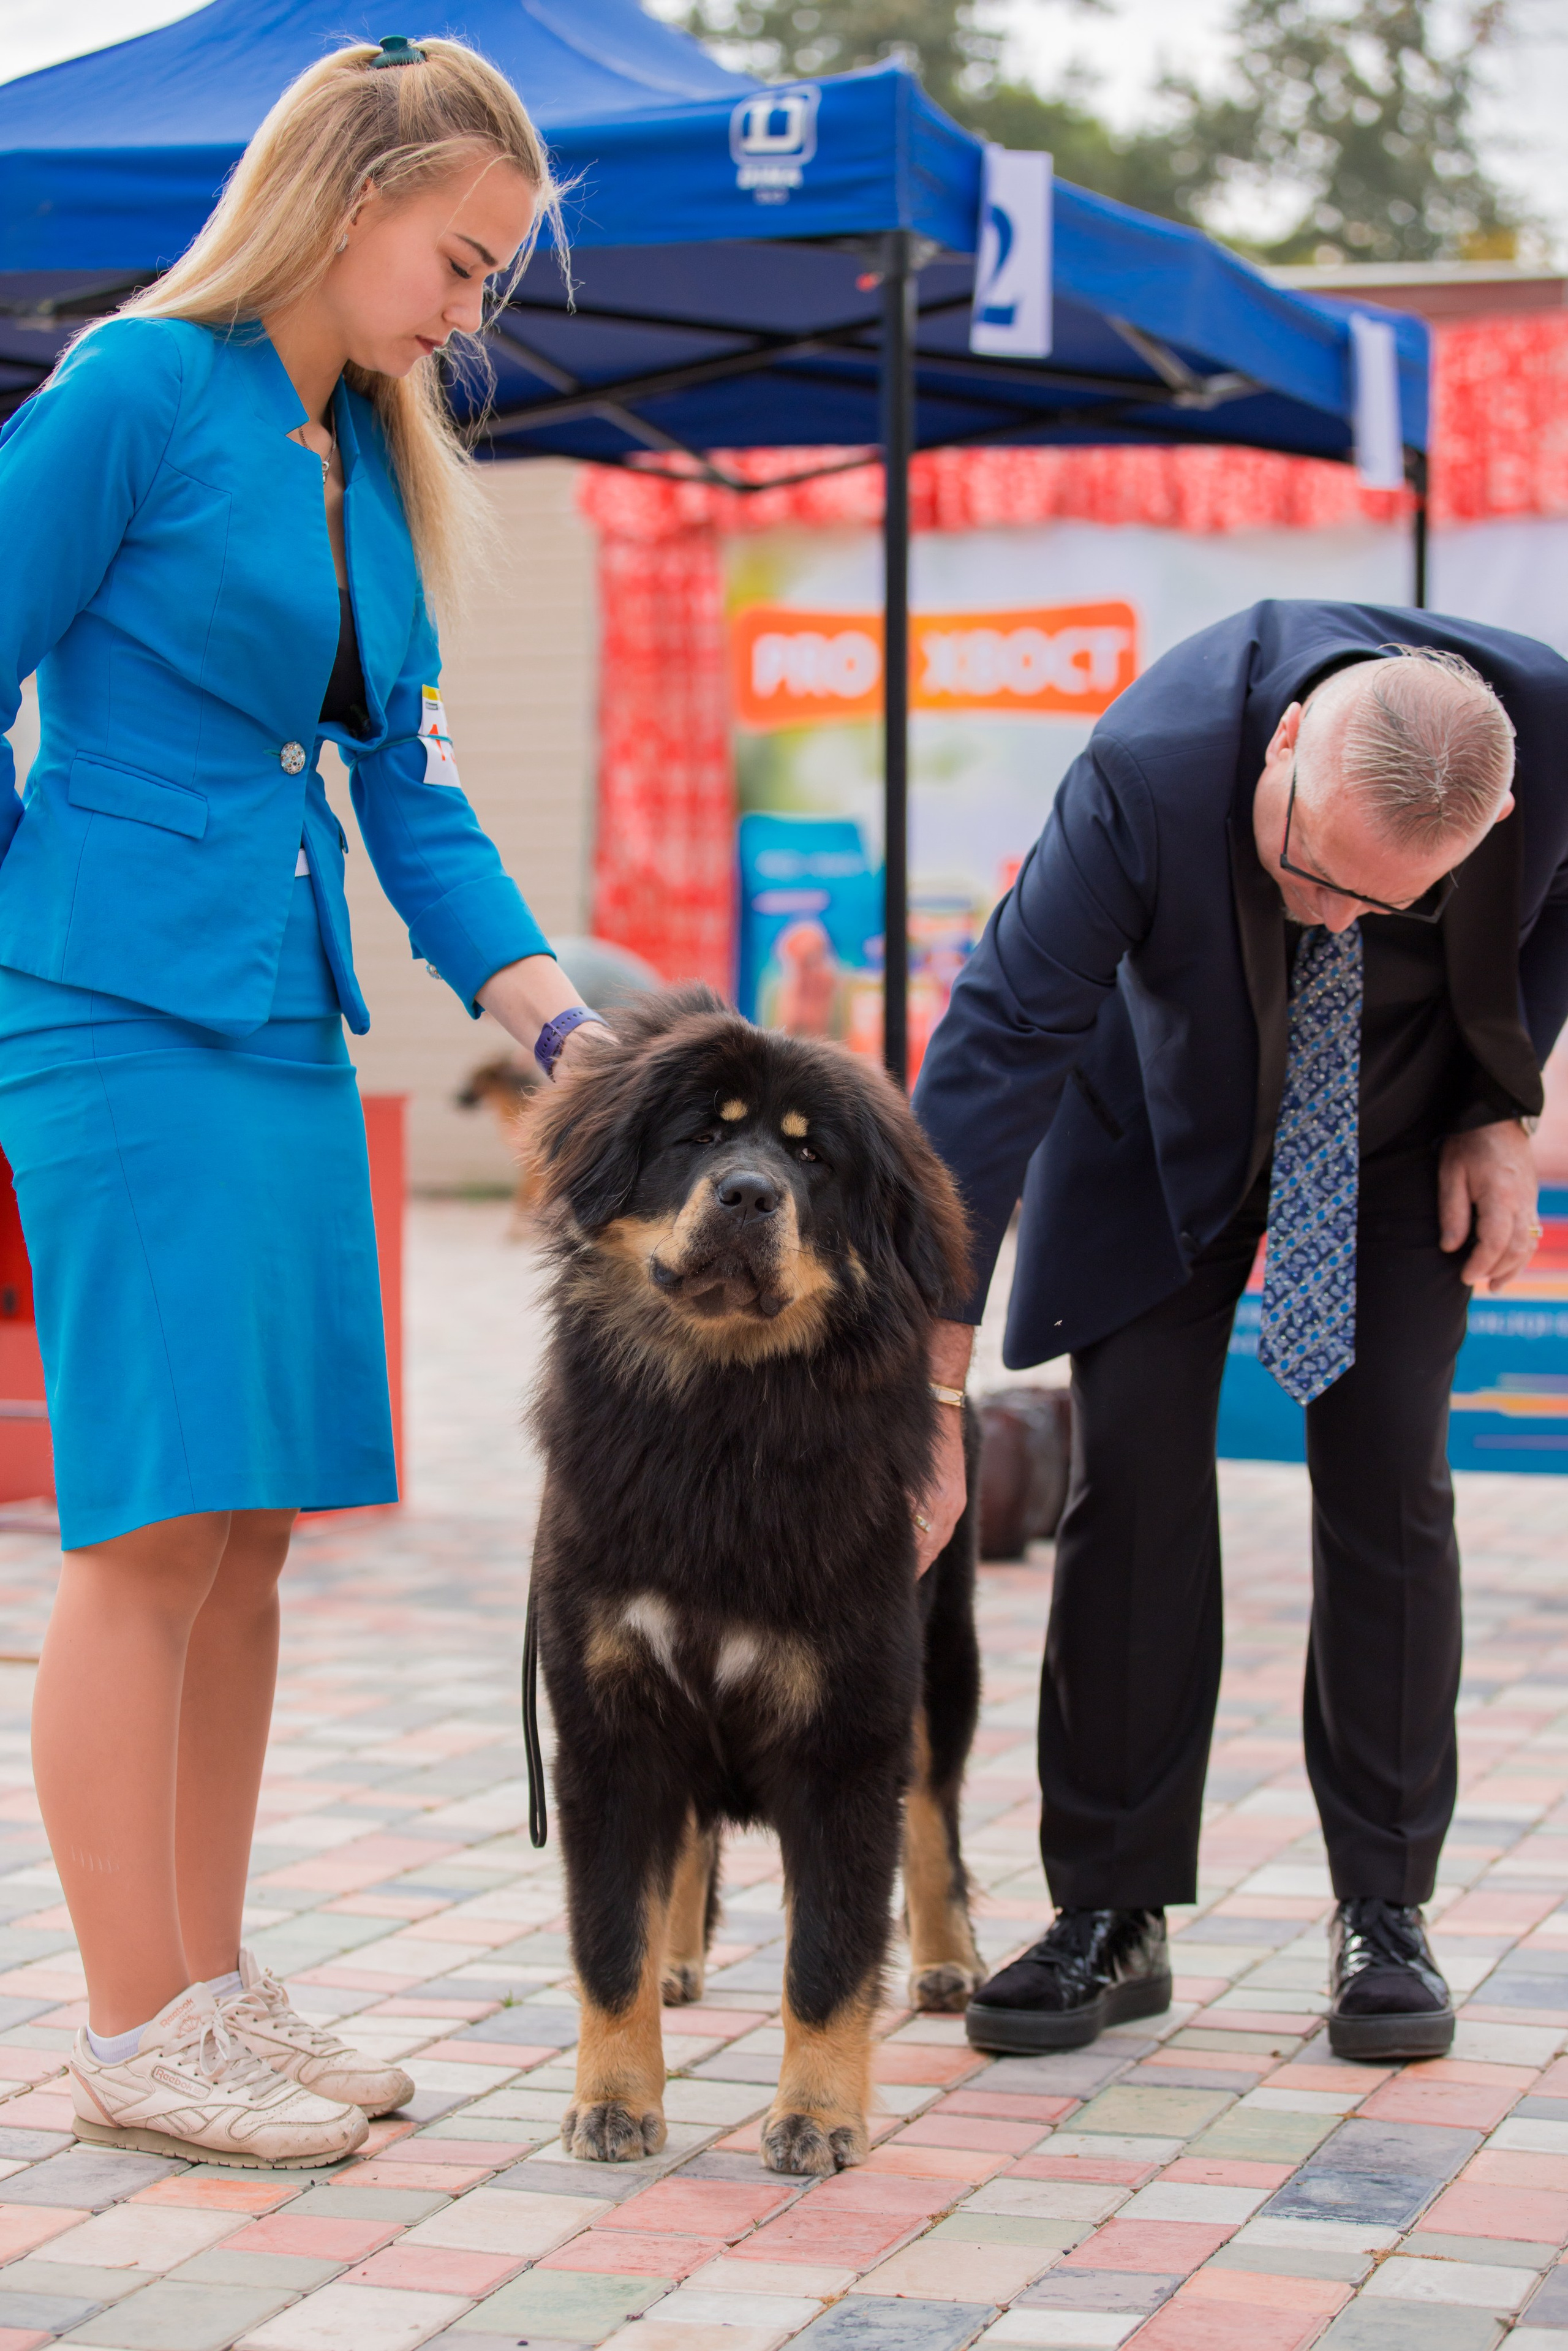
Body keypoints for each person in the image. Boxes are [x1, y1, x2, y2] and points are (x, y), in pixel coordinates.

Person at [0, 37, 608, 2167]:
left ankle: (210, 1981)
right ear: (348, 201)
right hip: (106, 1009)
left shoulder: (364, 450)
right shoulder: (133, 394)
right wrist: (49, 906)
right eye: (458, 262)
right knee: (150, 1521)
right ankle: (127, 2014)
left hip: (275, 1019)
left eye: (490, 277)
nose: (470, 312)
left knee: (249, 1526)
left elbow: (409, 788)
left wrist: (558, 1015)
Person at [911, 604, 1568, 2062]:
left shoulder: (1552, 730)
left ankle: (1383, 1905)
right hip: (1153, 1120)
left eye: (1385, 902)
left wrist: (1494, 1103)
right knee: (1132, 1477)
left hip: (1399, 1126)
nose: (1335, 915)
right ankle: (1110, 1910)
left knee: (1390, 1480)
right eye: (1309, 872)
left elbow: (1555, 911)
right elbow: (999, 1042)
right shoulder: (1145, 770)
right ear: (1281, 746)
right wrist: (929, 1379)